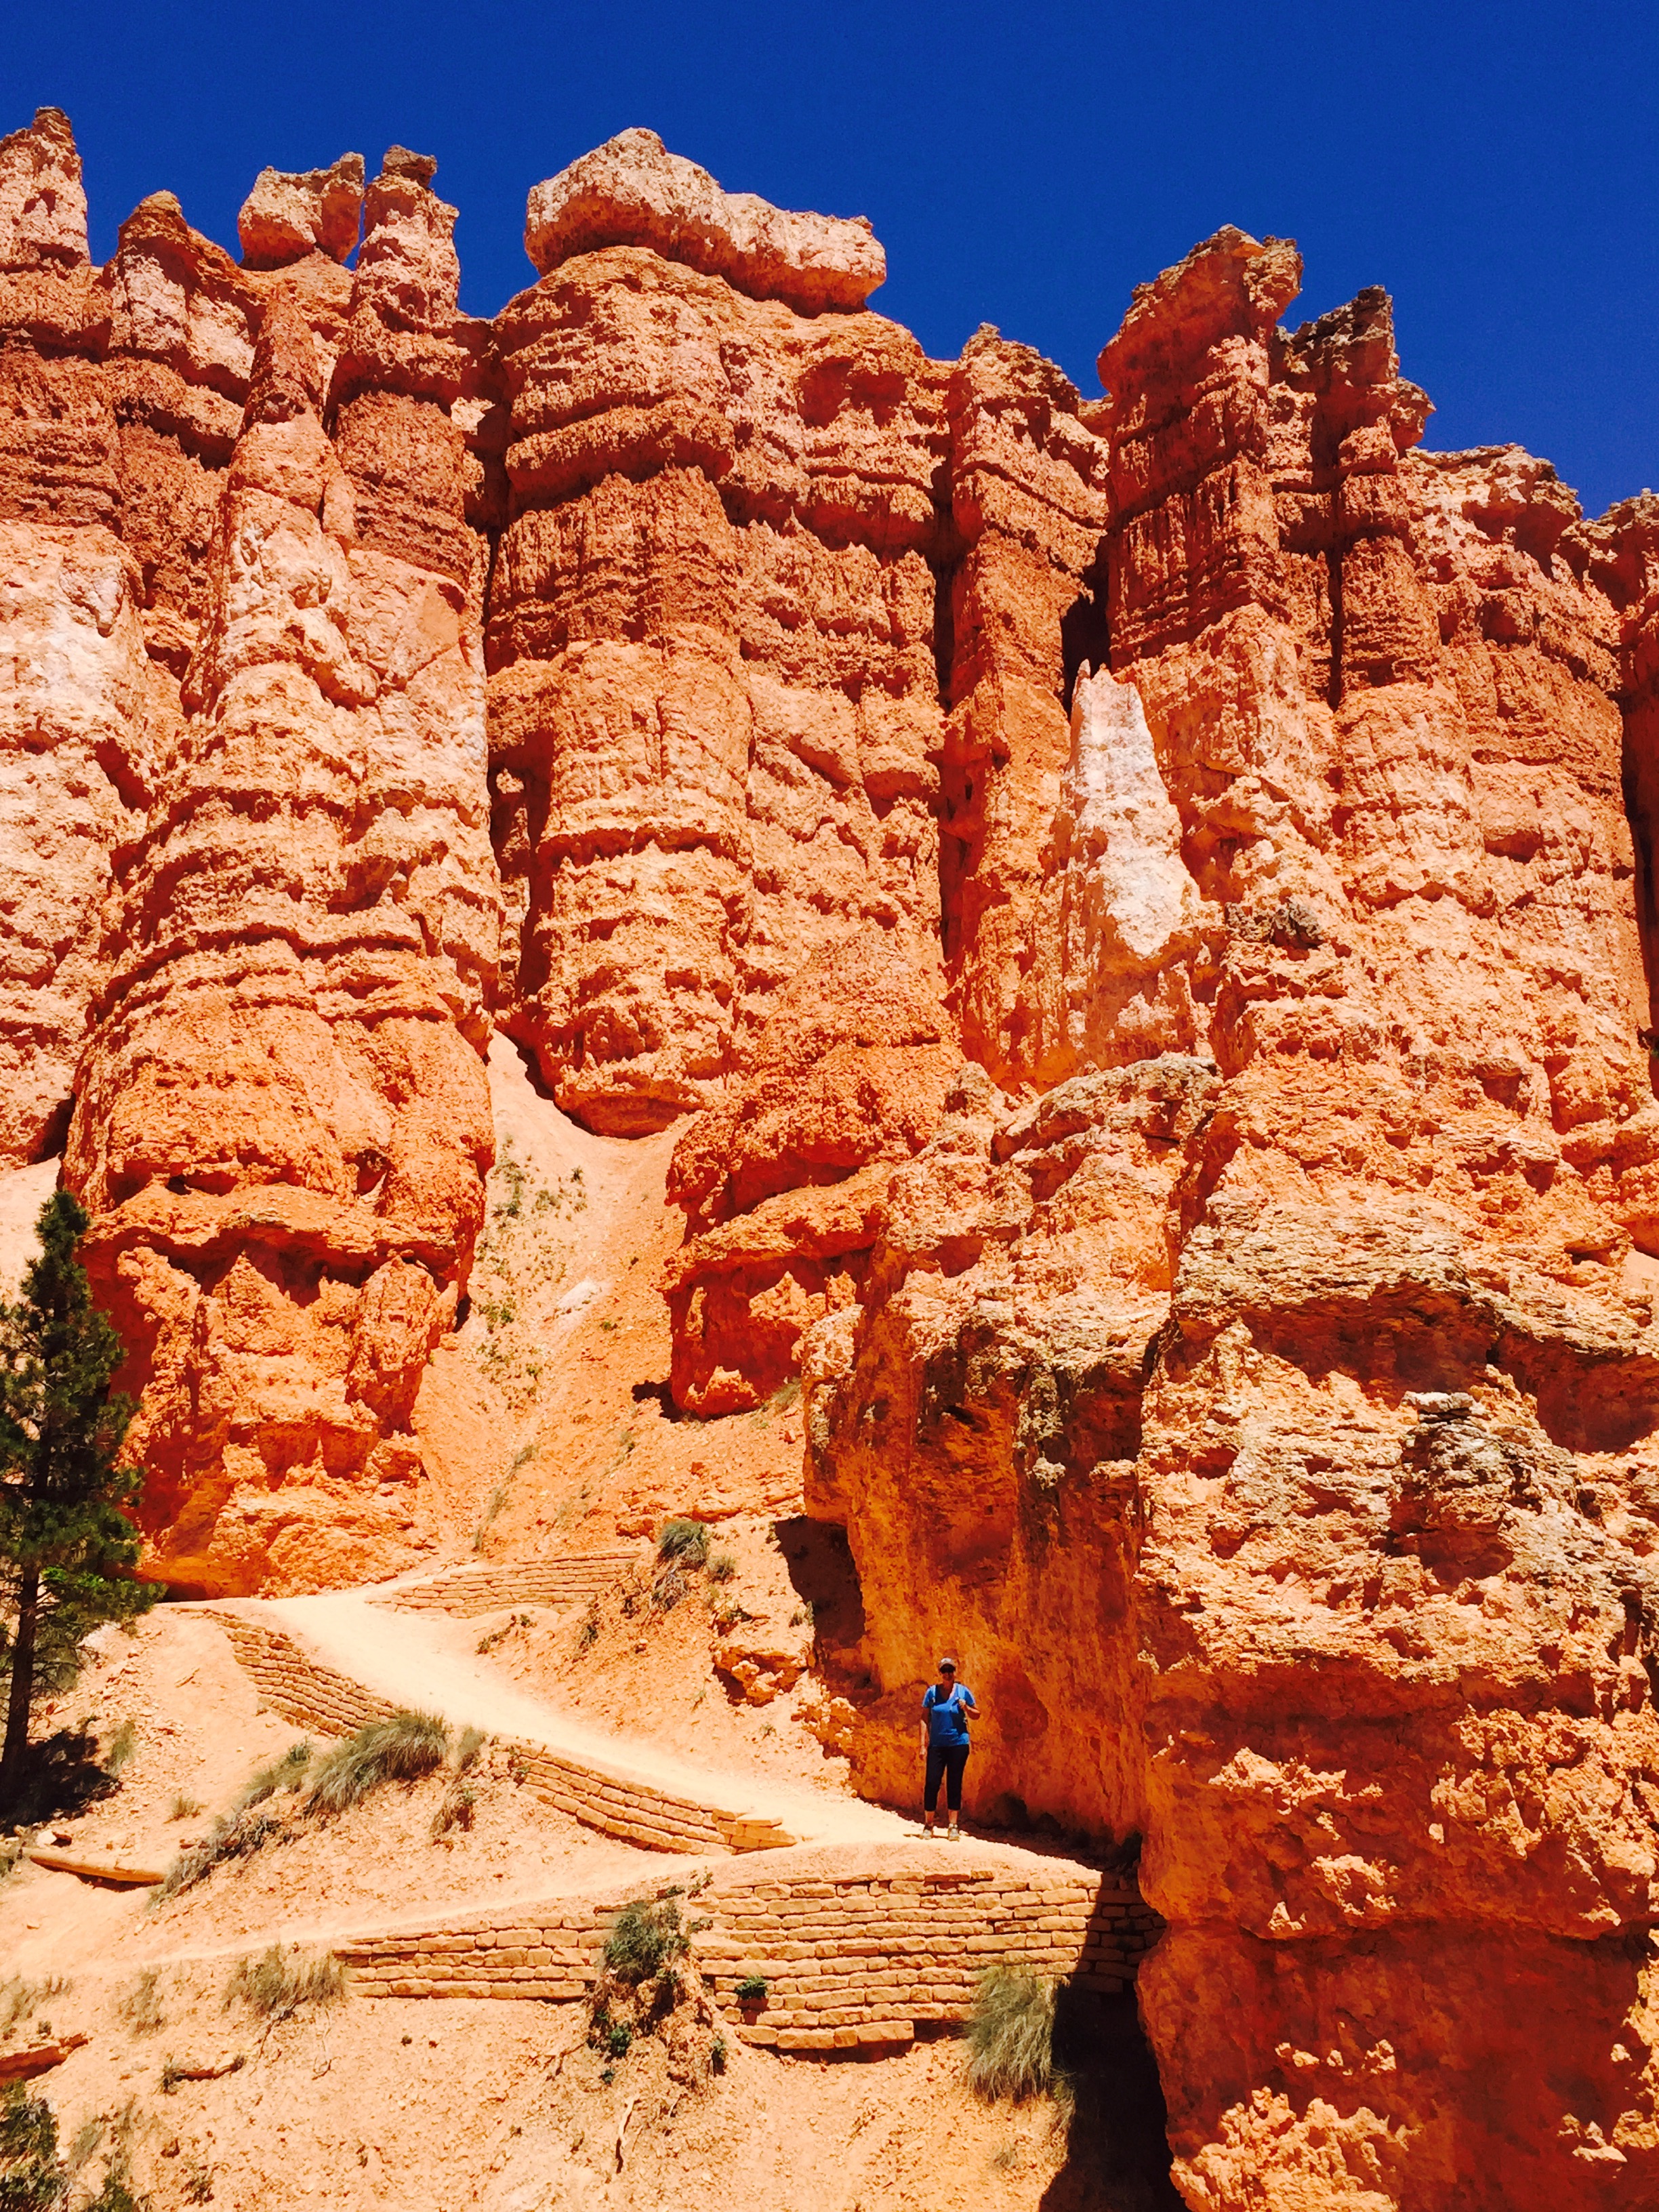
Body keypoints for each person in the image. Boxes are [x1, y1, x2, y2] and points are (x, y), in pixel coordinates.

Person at [920, 1656, 978, 1837]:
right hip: (937, 1745)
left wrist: (966, 1708)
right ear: (940, 1673)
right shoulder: (932, 1693)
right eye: (944, 1671)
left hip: (958, 1744)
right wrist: (922, 1744)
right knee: (932, 1782)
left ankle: (953, 1825)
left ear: (954, 1672)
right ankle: (928, 1824)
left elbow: (977, 1714)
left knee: (954, 1782)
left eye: (950, 1670)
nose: (947, 1674)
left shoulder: (963, 1692)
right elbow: (924, 1718)